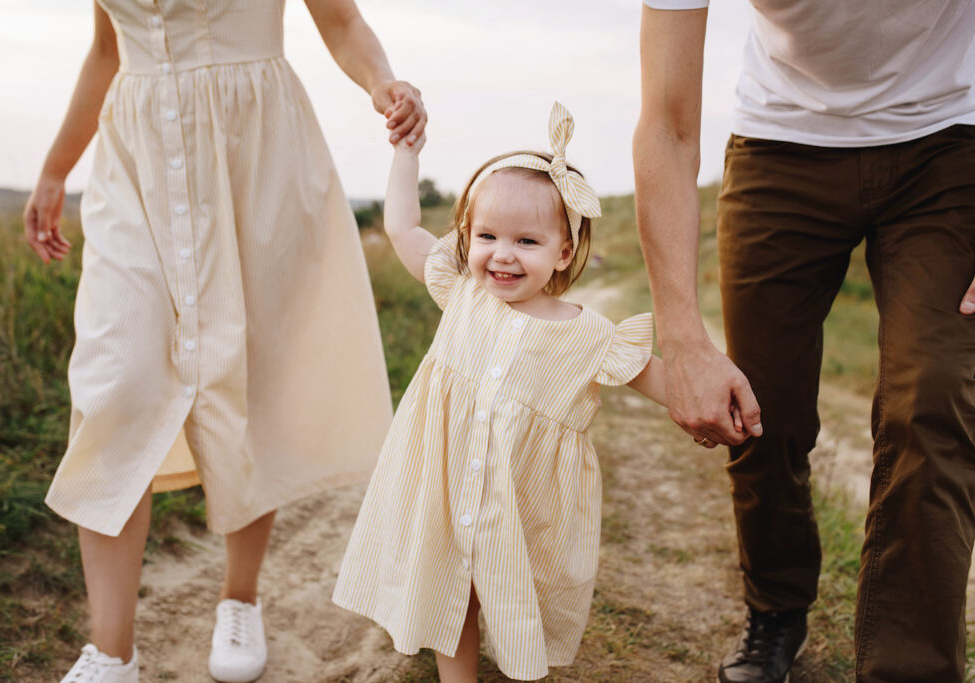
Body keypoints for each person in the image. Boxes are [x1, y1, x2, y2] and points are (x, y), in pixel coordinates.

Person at [22, 2, 426, 682]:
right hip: (136, 166)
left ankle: (240, 599)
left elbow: (341, 21)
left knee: (248, 379)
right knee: (112, 380)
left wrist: (382, 83)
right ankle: (111, 653)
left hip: (255, 153)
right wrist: (56, 168)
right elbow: (107, 48)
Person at [633, 2, 975, 681]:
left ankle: (911, 670)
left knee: (932, 400)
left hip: (948, 140)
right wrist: (685, 341)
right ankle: (776, 608)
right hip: (780, 143)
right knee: (761, 405)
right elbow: (667, 125)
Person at [331, 102, 669, 682]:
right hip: (445, 483)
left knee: (512, 598)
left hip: (521, 505)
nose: (503, 253)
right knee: (451, 591)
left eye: (527, 240)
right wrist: (405, 155)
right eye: (487, 235)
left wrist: (717, 406)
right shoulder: (461, 292)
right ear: (467, 236)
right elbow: (402, 227)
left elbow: (660, 380)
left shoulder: (590, 336)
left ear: (563, 253)